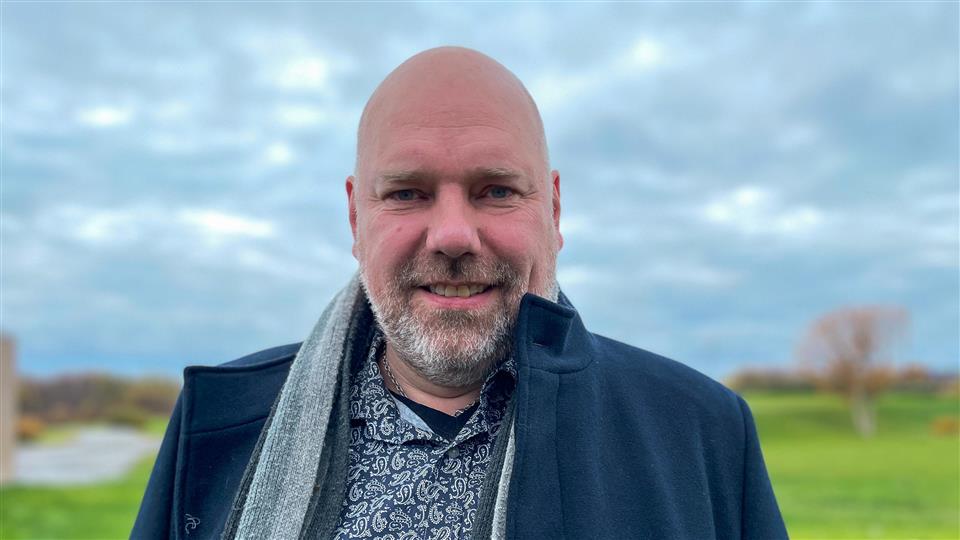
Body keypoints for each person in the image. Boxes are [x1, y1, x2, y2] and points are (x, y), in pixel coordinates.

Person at [133, 47, 787, 540]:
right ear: (356, 219)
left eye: (496, 190)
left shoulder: (703, 435)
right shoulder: (218, 424)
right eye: (407, 192)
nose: (451, 235)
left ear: (554, 211)